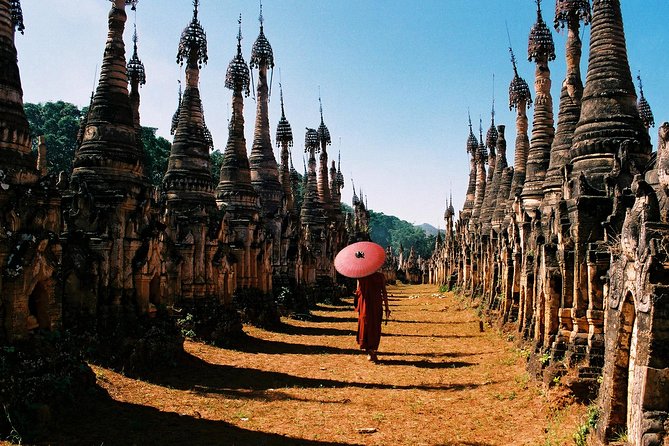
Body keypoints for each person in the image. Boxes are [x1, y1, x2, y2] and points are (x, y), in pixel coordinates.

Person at [355, 270, 391, 362]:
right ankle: (371, 350)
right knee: (374, 327)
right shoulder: (380, 276)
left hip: (365, 306)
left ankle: (370, 350)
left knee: (366, 326)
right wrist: (387, 307)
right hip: (375, 305)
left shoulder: (361, 276)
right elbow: (384, 292)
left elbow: (358, 292)